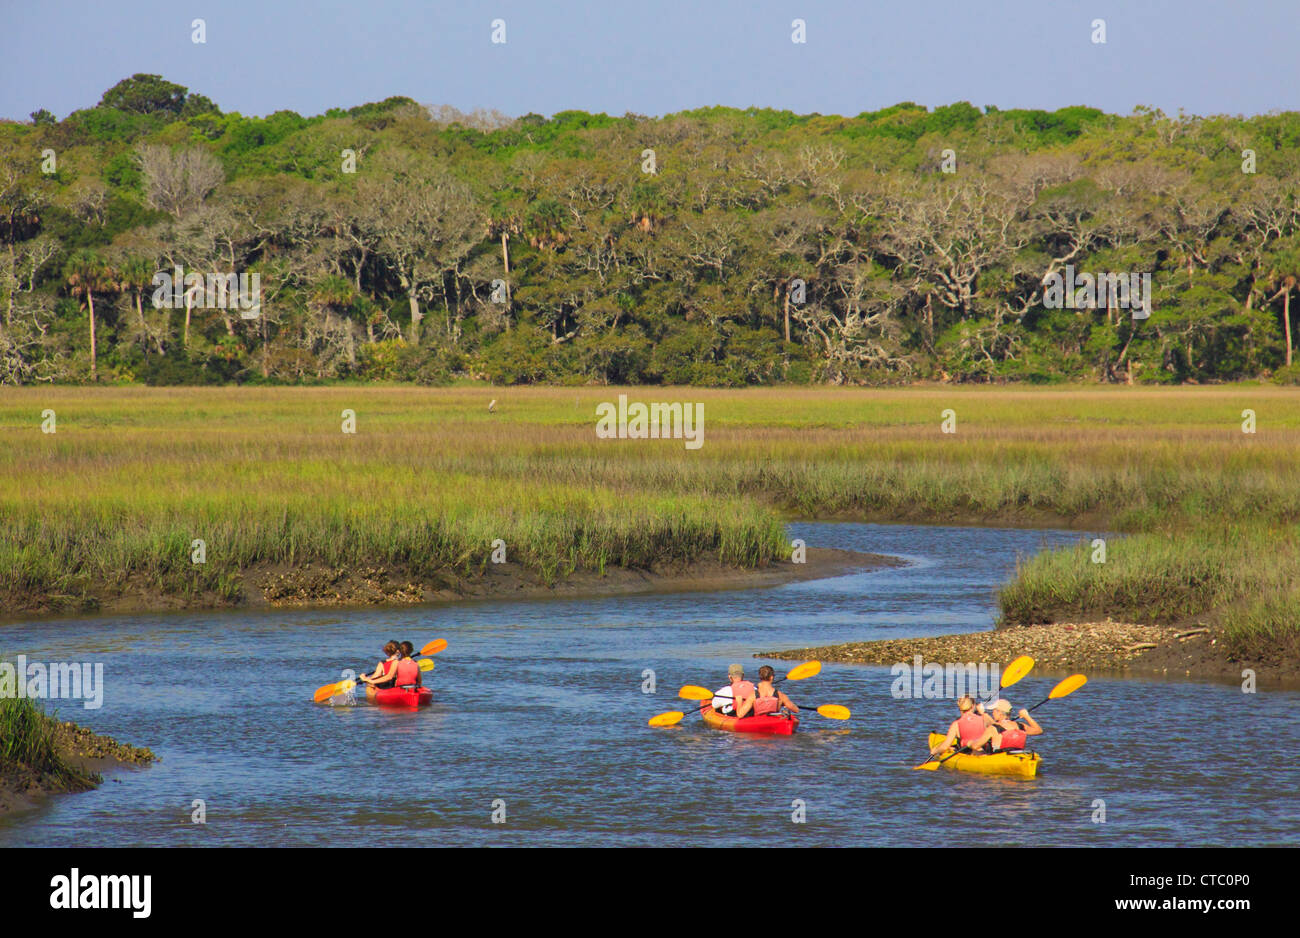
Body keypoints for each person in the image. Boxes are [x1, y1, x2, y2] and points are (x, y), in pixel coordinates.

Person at [968, 699, 1042, 752]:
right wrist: (1026, 716)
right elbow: (1039, 730)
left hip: (999, 758)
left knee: (976, 751)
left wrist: (970, 743)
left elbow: (975, 746)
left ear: (999, 713)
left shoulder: (993, 728)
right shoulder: (1020, 726)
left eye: (993, 710)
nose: (992, 713)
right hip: (1017, 755)